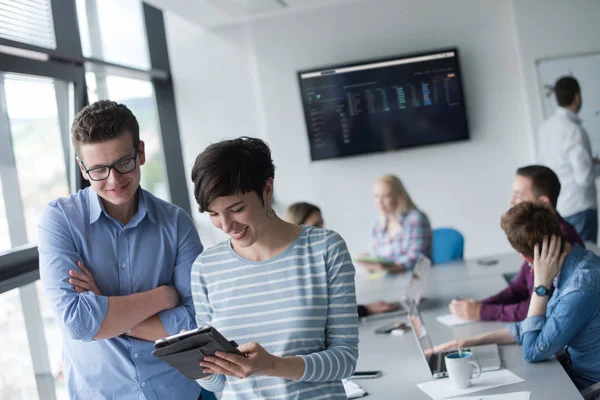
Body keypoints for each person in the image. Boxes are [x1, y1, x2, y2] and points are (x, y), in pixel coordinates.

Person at [38, 100, 204, 399]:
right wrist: (163, 296)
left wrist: (104, 307)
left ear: (139, 153)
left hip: (175, 391)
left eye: (123, 163)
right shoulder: (60, 220)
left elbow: (195, 322)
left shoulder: (176, 223)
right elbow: (78, 323)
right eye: (99, 169)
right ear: (82, 168)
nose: (114, 180)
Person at [190, 137, 359, 399]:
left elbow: (345, 360)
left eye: (236, 209)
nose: (226, 226)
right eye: (213, 214)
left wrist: (272, 366)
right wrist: (198, 364)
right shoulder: (206, 268)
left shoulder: (325, 249)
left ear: (266, 189)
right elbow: (218, 384)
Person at [435, 201, 600, 391]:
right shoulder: (580, 261)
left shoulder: (579, 288)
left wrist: (541, 286)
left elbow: (532, 351)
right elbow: (535, 326)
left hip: (585, 388)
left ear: (526, 258)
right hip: (570, 373)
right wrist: (468, 342)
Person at [449, 165, 584, 322]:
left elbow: (540, 307)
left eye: (518, 195)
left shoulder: (559, 242)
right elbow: (519, 288)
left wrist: (483, 311)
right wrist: (479, 306)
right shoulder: (538, 233)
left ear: (543, 203)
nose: (511, 201)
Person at [286, 201, 400, 317]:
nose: (323, 230)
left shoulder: (317, 259)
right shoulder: (294, 269)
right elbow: (320, 315)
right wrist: (366, 309)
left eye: (322, 223)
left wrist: (365, 308)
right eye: (316, 225)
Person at [538, 76, 600, 242]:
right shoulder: (574, 130)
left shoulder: (545, 128)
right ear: (577, 96)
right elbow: (584, 178)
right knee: (585, 263)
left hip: (558, 206)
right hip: (580, 206)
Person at [357, 174, 432, 274]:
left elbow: (417, 257)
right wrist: (369, 262)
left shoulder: (416, 219)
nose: (380, 202)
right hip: (387, 280)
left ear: (399, 196)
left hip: (413, 278)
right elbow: (377, 257)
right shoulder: (376, 226)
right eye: (376, 196)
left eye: (386, 196)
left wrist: (397, 266)